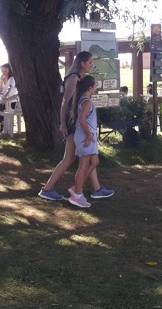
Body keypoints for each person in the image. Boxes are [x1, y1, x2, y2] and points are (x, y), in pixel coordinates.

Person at [38, 51, 114, 202]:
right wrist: (63, 123)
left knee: (84, 156)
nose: (92, 65)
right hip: (72, 123)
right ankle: (47, 189)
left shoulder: (78, 78)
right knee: (69, 158)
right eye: (90, 62)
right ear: (82, 63)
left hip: (73, 122)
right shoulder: (73, 79)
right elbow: (65, 103)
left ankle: (96, 189)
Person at [68, 75, 100, 208]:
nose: (96, 87)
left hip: (84, 136)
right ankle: (77, 195)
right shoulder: (87, 102)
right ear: (90, 87)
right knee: (83, 166)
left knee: (95, 161)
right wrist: (88, 136)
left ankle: (77, 187)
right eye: (95, 85)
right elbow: (82, 120)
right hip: (85, 137)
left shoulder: (82, 100)